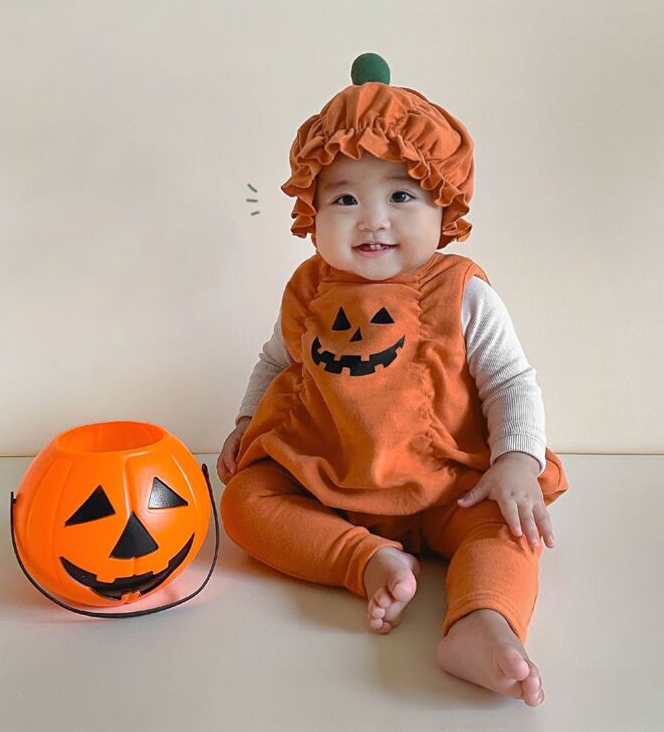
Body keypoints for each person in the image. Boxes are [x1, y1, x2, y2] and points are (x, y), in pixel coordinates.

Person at [216, 53, 568, 707]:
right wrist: (245, 423)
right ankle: (364, 558)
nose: (373, 219)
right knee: (243, 503)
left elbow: (510, 380)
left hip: (449, 487)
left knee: (508, 527)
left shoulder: (462, 292)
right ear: (311, 212)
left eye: (401, 196)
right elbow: (274, 362)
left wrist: (516, 460)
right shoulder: (309, 291)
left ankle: (482, 620)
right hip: (330, 480)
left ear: (443, 204)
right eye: (345, 198)